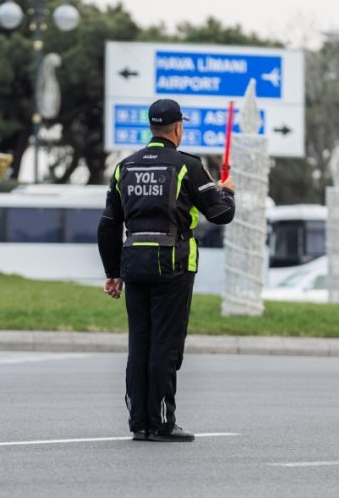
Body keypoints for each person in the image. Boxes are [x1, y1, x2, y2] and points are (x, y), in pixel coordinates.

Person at [97, 98, 236, 442]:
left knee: (139, 344)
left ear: (152, 127)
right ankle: (162, 422)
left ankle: (139, 423)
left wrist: (113, 271)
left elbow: (108, 224)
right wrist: (227, 192)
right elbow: (220, 214)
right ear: (178, 128)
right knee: (165, 345)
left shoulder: (125, 167)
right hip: (174, 265)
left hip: (134, 264)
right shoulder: (187, 165)